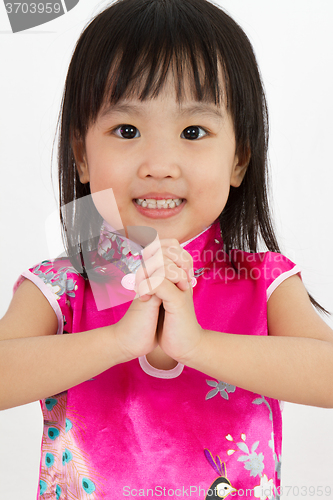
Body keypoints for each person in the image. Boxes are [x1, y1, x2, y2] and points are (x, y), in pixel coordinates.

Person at [0, 0, 332, 498]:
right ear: (81, 153)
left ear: (239, 160)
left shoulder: (264, 279)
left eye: (193, 132)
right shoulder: (62, 283)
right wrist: (117, 342)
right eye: (127, 131)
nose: (159, 164)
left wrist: (196, 344)